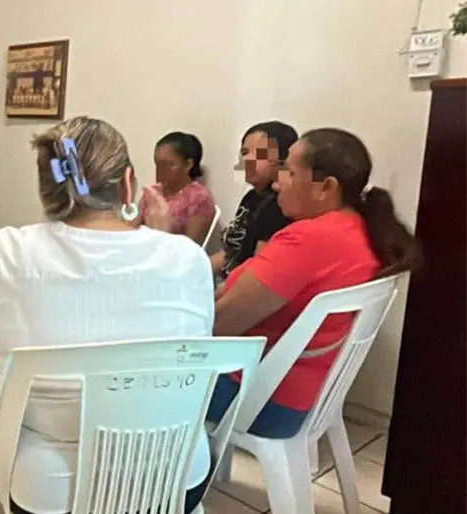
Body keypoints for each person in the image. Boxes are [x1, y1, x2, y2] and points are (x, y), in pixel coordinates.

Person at [0, 116, 215, 514]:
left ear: (46, 190)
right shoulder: (187, 258)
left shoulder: (10, 253)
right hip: (175, 478)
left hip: (53, 491)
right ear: (129, 183)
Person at [204, 128, 419, 438]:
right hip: (305, 394)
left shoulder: (307, 241)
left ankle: (166, 481)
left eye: (289, 173)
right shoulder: (357, 229)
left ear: (325, 187)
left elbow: (218, 326)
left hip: (261, 397)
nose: (277, 184)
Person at [212, 121, 297, 280]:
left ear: (284, 160)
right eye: (244, 153)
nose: (248, 160)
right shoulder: (251, 198)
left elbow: (258, 271)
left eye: (260, 154)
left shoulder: (279, 206)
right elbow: (231, 252)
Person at [139, 131, 216, 244]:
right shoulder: (153, 193)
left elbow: (192, 247)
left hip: (173, 258)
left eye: (169, 165)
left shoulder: (199, 197)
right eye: (158, 164)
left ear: (188, 164)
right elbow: (131, 227)